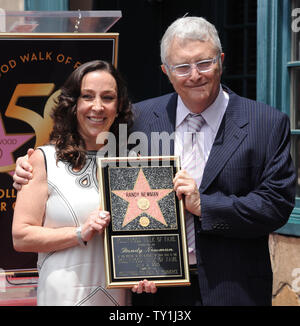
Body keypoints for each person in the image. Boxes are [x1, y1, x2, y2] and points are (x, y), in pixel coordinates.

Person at [13, 17, 296, 306]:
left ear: (221, 60)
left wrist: (204, 206)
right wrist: (31, 164)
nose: (195, 75)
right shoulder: (139, 119)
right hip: (156, 292)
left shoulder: (266, 123)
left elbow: (276, 206)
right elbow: (88, 147)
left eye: (204, 63)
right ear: (166, 72)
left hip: (234, 288)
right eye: (182, 67)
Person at [12, 60, 155, 306]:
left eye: (107, 97)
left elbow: (143, 243)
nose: (97, 107)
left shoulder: (134, 164)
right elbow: (21, 236)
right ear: (73, 104)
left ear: (119, 106)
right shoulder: (42, 160)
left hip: (116, 300)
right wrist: (79, 233)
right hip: (61, 296)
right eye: (87, 96)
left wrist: (146, 272)